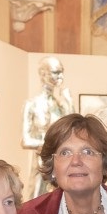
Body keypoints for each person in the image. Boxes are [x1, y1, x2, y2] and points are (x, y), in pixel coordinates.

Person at [22, 56, 74, 199]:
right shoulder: (32, 104)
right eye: (56, 72)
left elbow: (74, 132)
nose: (61, 77)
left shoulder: (61, 107)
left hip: (61, 165)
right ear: (43, 74)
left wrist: (69, 104)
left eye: (61, 72)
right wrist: (51, 145)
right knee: (36, 200)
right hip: (41, 164)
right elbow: (25, 140)